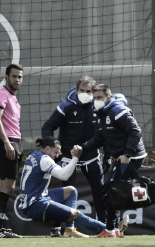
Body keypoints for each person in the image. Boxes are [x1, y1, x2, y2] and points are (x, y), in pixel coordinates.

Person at [18, 137, 129, 238]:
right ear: (47, 149)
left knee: (71, 190)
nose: (58, 155)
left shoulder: (34, 155)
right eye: (56, 152)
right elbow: (64, 175)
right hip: (35, 205)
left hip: (34, 199)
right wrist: (75, 158)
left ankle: (69, 229)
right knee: (74, 214)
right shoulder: (44, 159)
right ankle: (110, 229)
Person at [42, 76, 110, 236]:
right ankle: (57, 228)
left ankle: (105, 228)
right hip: (67, 156)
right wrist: (52, 150)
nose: (84, 94)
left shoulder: (99, 107)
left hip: (91, 156)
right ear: (76, 90)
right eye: (82, 90)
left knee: (99, 191)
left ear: (93, 92)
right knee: (67, 192)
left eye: (88, 91)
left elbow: (105, 133)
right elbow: (48, 126)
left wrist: (107, 155)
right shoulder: (65, 107)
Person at [81, 84, 147, 238]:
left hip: (131, 157)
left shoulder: (117, 111)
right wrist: (82, 148)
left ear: (108, 98)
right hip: (120, 157)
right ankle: (113, 229)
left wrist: (128, 154)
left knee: (112, 191)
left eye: (100, 98)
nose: (96, 101)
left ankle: (111, 230)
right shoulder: (101, 113)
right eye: (95, 98)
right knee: (112, 191)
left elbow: (136, 132)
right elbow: (99, 138)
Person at [0, 63, 24, 238]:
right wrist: (6, 143)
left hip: (13, 141)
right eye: (14, 76)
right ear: (6, 77)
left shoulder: (12, 97)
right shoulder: (2, 94)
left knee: (3, 185)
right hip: (7, 142)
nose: (17, 80)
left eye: (20, 77)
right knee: (9, 187)